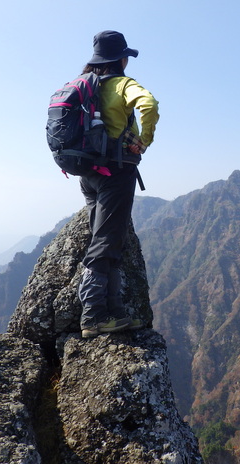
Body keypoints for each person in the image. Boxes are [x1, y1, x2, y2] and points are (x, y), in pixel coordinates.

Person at [77, 30, 159, 338]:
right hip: (116, 172)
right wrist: (143, 141)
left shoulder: (86, 85)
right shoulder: (122, 84)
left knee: (109, 239)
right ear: (120, 59)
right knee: (105, 243)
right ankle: (94, 315)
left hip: (89, 174)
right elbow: (149, 105)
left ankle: (114, 312)